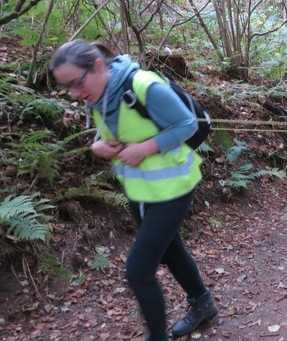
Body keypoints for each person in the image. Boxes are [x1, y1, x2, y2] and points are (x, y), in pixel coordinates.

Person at [50, 40, 216, 341]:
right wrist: (98, 146)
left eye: (77, 83)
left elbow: (187, 125)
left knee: (138, 272)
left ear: (98, 66)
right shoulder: (97, 95)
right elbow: (114, 135)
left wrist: (145, 148)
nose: (74, 94)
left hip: (174, 185)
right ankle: (202, 303)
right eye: (67, 88)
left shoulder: (144, 87)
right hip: (139, 188)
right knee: (170, 249)